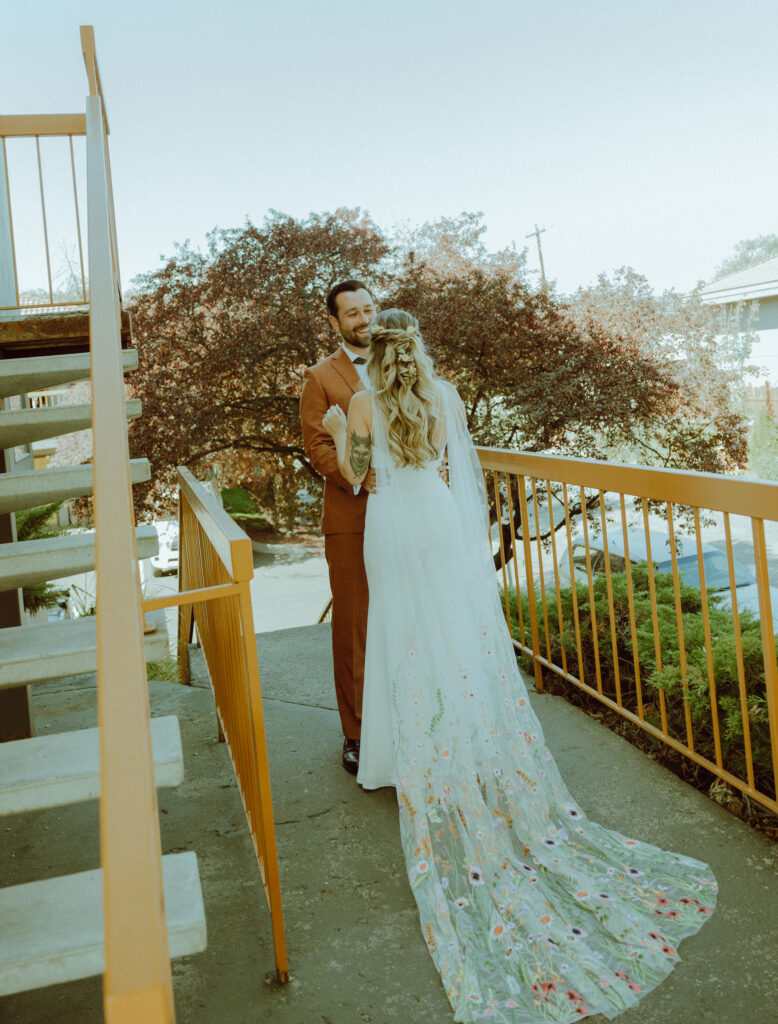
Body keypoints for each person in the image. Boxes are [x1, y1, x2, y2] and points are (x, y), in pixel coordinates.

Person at [322, 308, 718, 1023]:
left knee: (405, 637)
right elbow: (444, 466)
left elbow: (355, 475)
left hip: (391, 529)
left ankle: (405, 753)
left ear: (372, 355)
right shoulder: (443, 398)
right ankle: (472, 740)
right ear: (417, 348)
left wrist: (338, 435)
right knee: (457, 635)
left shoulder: (357, 401)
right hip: (436, 520)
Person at [300, 280, 378, 774]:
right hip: (352, 518)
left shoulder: (400, 362)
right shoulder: (319, 376)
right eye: (352, 313)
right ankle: (356, 733)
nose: (364, 319)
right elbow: (317, 447)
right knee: (354, 627)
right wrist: (365, 478)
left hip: (408, 515)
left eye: (369, 308)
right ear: (335, 322)